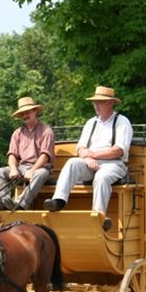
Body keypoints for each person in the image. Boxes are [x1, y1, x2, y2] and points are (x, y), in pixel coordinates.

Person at [43, 86, 132, 228]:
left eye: (100, 102)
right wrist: (87, 158)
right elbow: (81, 148)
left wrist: (93, 155)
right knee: (72, 162)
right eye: (94, 102)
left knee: (102, 177)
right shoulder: (91, 123)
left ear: (110, 103)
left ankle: (98, 216)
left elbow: (119, 150)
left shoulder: (122, 122)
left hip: (113, 164)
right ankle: (58, 200)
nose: (96, 105)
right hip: (91, 163)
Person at [0, 96, 55, 211]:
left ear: (35, 111)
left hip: (40, 168)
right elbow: (12, 155)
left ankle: (21, 204)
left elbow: (45, 156)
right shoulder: (17, 133)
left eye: (28, 112)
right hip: (21, 168)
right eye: (22, 114)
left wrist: (32, 171)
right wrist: (13, 169)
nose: (25, 116)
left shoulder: (46, 131)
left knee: (40, 173)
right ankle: (2, 202)